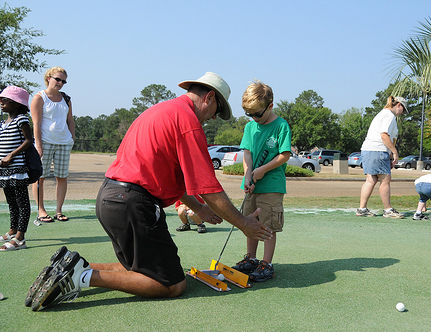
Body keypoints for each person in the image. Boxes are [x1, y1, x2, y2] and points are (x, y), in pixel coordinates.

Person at [26, 72, 273, 311]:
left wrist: (197, 208)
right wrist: (243, 223)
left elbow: (168, 177)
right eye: (217, 110)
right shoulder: (188, 123)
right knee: (172, 284)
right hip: (133, 203)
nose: (214, 117)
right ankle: (82, 276)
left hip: (110, 198)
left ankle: (72, 265)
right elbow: (209, 188)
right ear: (208, 97)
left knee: (138, 268)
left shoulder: (161, 111)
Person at [232, 81, 291, 282]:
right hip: (251, 184)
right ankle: (251, 259)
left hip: (271, 185)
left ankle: (266, 263)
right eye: (250, 114)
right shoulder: (250, 127)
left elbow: (284, 155)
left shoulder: (280, 125)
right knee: (251, 222)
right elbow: (247, 154)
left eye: (258, 113)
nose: (254, 118)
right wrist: (248, 174)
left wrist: (263, 170)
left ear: (270, 106)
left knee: (267, 225)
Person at [31, 67, 75, 223]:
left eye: (63, 81)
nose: (60, 83)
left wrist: (72, 138)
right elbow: (36, 124)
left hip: (64, 143)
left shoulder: (66, 99)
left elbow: (70, 121)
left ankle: (58, 211)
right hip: (45, 142)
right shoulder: (39, 97)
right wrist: (38, 145)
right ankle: (41, 210)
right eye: (58, 79)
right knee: (40, 178)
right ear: (48, 78)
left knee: (62, 177)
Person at [356, 96, 406, 218]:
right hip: (377, 149)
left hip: (369, 149)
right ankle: (388, 210)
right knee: (385, 179)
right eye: (403, 109)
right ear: (398, 105)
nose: (403, 113)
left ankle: (362, 209)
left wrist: (389, 156)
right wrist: (395, 152)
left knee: (371, 179)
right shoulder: (389, 115)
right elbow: (384, 135)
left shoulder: (383, 114)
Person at [0, 86, 33, 251]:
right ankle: (13, 231)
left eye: (5, 100)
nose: (1, 102)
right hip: (4, 171)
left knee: (22, 203)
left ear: (17, 103)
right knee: (11, 202)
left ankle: (21, 238)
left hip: (17, 169)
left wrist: (11, 155)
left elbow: (29, 140)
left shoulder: (22, 119)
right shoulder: (2, 123)